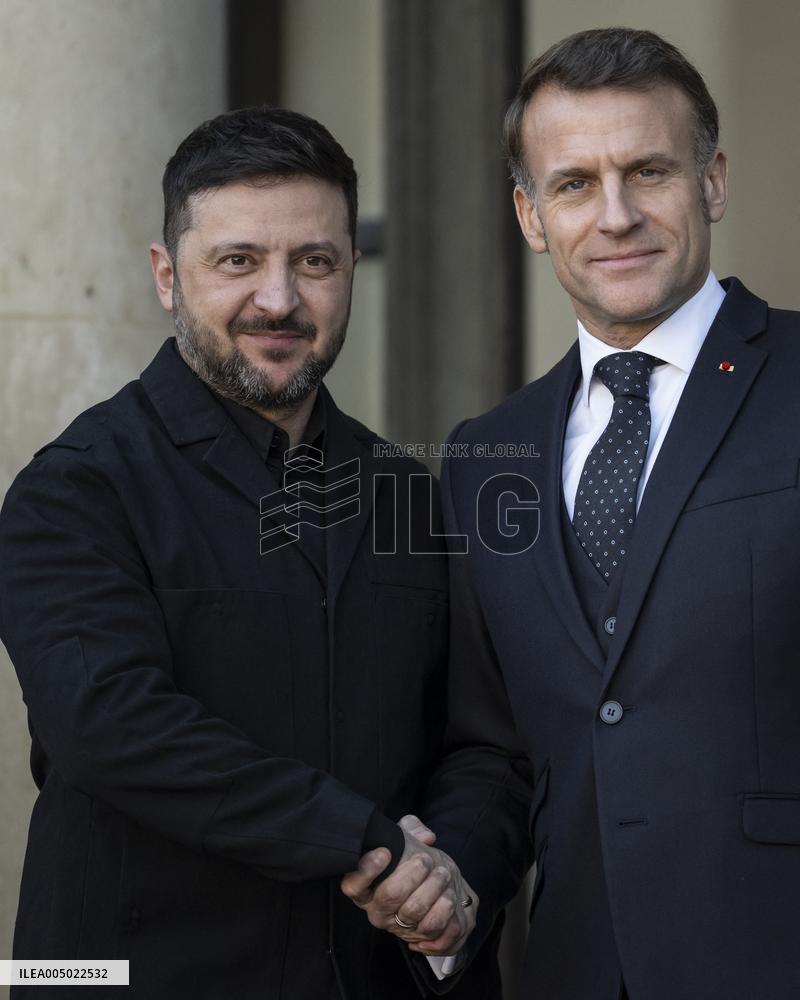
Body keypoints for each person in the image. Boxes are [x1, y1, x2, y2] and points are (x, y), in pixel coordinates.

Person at [0, 106, 514, 999]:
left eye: (314, 261)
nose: (278, 300)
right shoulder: (77, 488)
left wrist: (452, 879)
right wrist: (366, 840)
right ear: (168, 275)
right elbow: (109, 726)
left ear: (352, 269)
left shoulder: (410, 493)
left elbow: (482, 742)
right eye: (237, 261)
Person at [342, 26, 800, 1000]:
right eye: (574, 183)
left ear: (711, 181)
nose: (617, 214)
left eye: (648, 170)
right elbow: (494, 751)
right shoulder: (484, 453)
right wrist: (446, 887)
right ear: (528, 213)